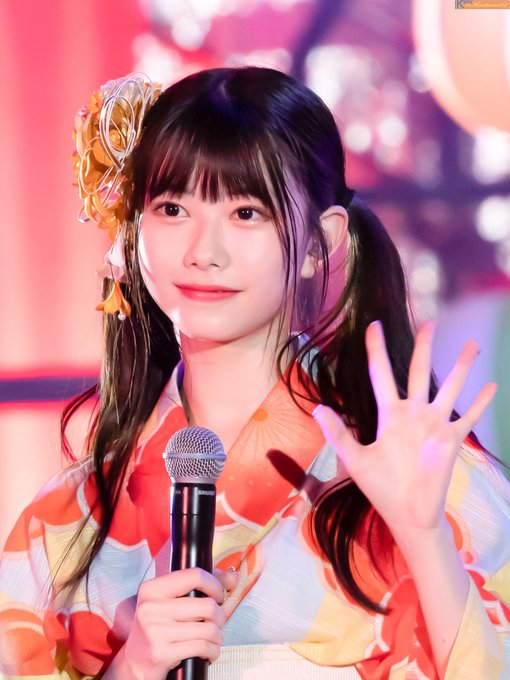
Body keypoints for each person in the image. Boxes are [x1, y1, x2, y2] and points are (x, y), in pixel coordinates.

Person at [0, 66, 509, 680]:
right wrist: (131, 667)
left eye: (246, 212)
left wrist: (424, 539)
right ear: (133, 229)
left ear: (319, 241)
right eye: (171, 208)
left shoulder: (417, 471)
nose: (203, 252)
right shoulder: (67, 520)